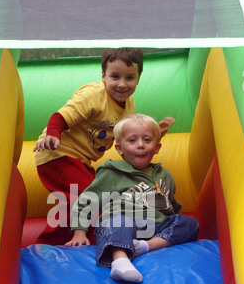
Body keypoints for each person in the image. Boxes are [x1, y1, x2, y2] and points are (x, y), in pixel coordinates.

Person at [33, 48, 175, 245]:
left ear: (138, 78)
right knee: (89, 198)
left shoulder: (129, 104)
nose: (122, 84)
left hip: (81, 161)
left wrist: (154, 133)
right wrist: (52, 135)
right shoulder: (93, 95)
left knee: (96, 198)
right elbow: (60, 116)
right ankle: (71, 243)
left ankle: (62, 242)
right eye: (115, 76)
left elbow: (126, 136)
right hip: (58, 154)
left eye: (130, 78)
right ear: (103, 76)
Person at [66, 113, 199, 284]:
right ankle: (120, 261)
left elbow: (171, 206)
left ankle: (144, 247)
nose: (140, 145)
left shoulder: (165, 175)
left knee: (189, 223)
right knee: (117, 221)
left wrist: (176, 225)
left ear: (157, 147)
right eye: (132, 140)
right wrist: (79, 231)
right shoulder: (112, 172)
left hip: (155, 228)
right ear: (119, 148)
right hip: (122, 223)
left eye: (147, 140)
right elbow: (87, 200)